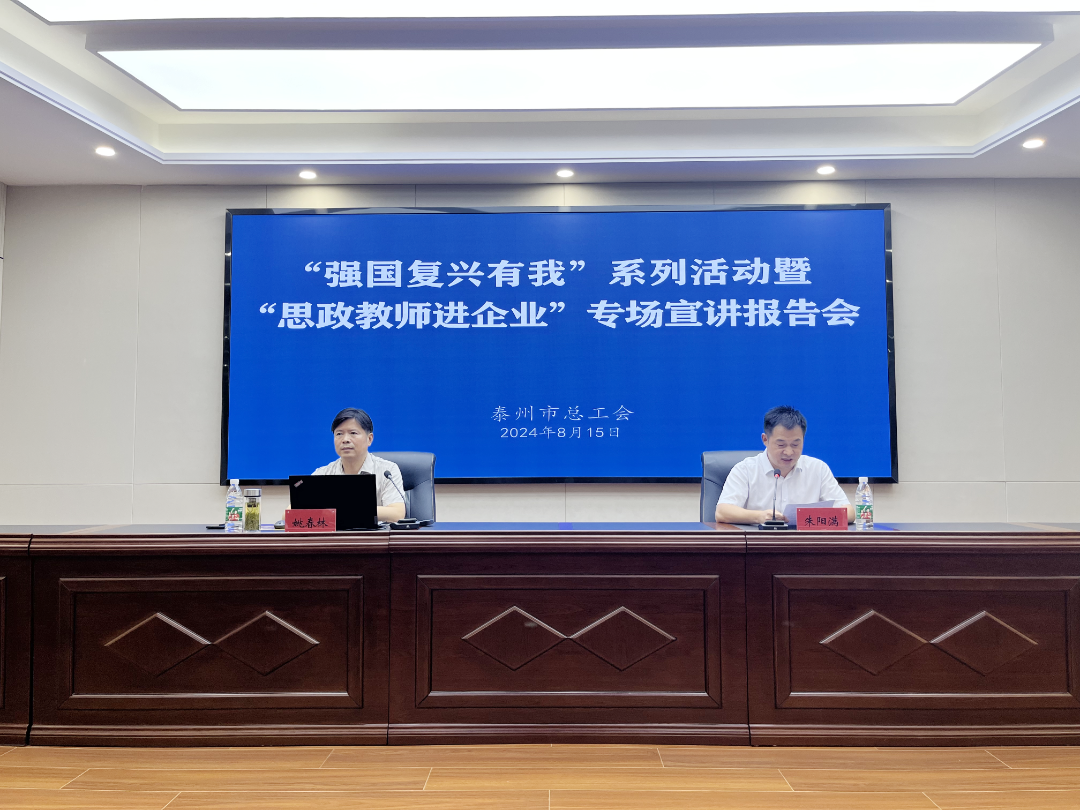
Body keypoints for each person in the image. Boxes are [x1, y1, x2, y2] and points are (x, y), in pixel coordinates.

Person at [714, 405, 854, 525]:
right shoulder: (745, 469)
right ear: (765, 439)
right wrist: (759, 516)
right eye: (781, 445)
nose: (788, 452)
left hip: (805, 543)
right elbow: (722, 512)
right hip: (759, 544)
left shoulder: (818, 469)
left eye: (795, 444)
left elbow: (849, 513)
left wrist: (809, 517)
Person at [313, 407, 407, 523]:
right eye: (339, 434)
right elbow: (295, 513)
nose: (345, 439)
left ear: (369, 439)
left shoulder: (387, 471)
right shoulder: (322, 474)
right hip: (335, 535)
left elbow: (397, 514)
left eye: (353, 433)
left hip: (373, 534)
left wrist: (343, 509)